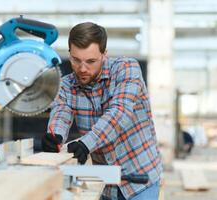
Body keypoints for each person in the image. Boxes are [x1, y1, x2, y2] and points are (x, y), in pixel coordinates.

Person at [41, 22, 162, 200]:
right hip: (105, 183)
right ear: (70, 54)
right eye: (76, 60)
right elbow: (60, 114)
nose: (82, 68)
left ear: (104, 55)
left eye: (90, 61)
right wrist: (55, 137)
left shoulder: (127, 69)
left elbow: (119, 113)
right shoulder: (66, 86)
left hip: (139, 178)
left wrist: (85, 144)